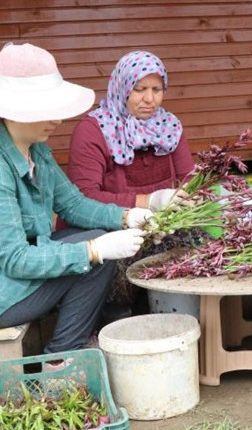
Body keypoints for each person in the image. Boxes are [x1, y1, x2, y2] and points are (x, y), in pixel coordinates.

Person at [0, 43, 154, 359]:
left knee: (97, 241)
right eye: (47, 109)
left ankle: (67, 345)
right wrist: (94, 251)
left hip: (2, 272)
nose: (58, 120)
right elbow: (16, 259)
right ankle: (62, 358)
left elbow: (73, 205)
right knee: (95, 258)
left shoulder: (34, 149)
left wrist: (127, 216)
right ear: (16, 110)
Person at [66, 50, 195, 314]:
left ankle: (187, 318)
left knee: (198, 246)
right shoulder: (94, 131)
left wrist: (190, 198)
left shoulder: (169, 127)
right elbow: (82, 199)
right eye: (139, 89)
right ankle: (113, 322)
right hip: (111, 228)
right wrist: (148, 202)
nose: (150, 99)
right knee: (118, 267)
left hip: (160, 227)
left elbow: (189, 179)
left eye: (157, 90)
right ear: (122, 87)